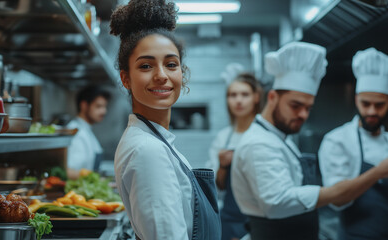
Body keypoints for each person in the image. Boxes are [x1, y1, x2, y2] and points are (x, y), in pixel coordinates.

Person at [230, 42, 388, 240]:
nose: (303, 115)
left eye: (308, 108)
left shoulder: (281, 140)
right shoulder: (259, 143)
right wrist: (335, 192)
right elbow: (277, 202)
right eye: (295, 106)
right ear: (272, 97)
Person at [111, 1, 221, 239]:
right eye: (146, 65)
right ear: (126, 79)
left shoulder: (154, 140)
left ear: (183, 73)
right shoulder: (147, 150)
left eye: (171, 64)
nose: (161, 75)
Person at [318, 48, 388, 240]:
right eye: (366, 104)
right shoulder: (338, 141)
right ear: (356, 99)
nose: (372, 111)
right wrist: (378, 172)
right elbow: (337, 199)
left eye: (379, 105)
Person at [207, 73, 262, 240]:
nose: (238, 100)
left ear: (256, 97)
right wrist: (223, 165)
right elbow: (218, 186)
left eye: (245, 94)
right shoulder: (223, 138)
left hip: (262, 220)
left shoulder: (265, 135)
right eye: (233, 95)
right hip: (231, 220)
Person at [66, 85, 110, 179]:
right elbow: (69, 171)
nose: (104, 111)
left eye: (105, 106)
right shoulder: (76, 132)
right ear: (84, 106)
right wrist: (97, 179)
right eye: (98, 106)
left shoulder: (86, 130)